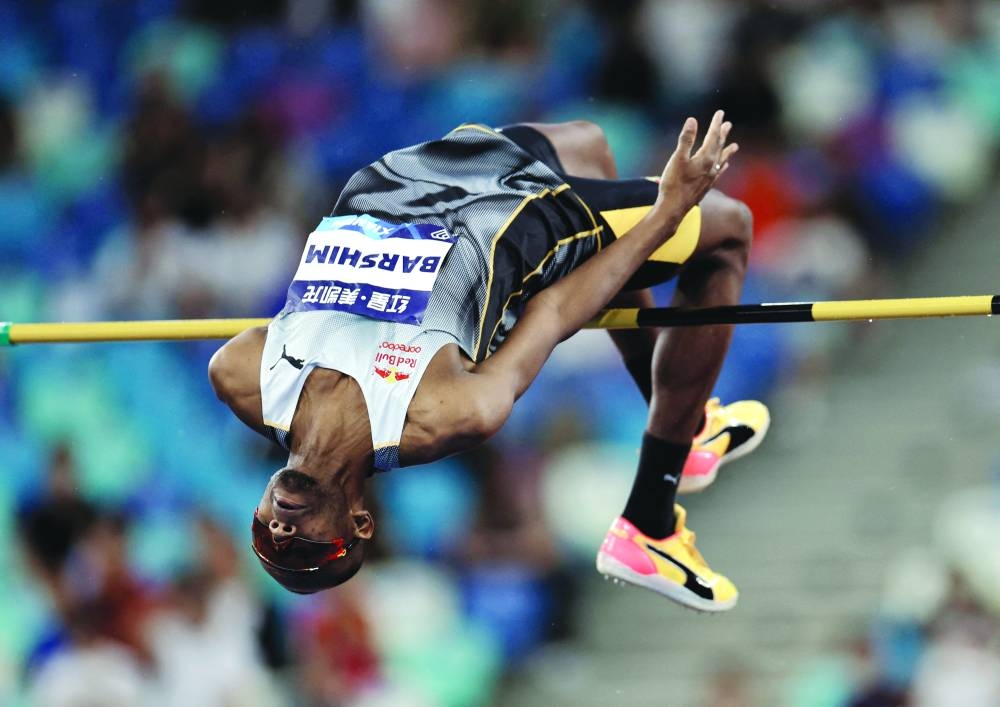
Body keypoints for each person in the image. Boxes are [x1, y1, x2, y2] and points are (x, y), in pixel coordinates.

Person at [208, 110, 769, 611]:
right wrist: (665, 214)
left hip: (410, 181)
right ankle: (650, 522)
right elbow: (552, 313)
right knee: (729, 230)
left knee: (590, 143)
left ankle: (682, 423)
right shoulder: (443, 413)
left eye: (266, 537)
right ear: (359, 520)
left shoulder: (242, 379)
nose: (283, 530)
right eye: (307, 546)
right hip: (519, 222)